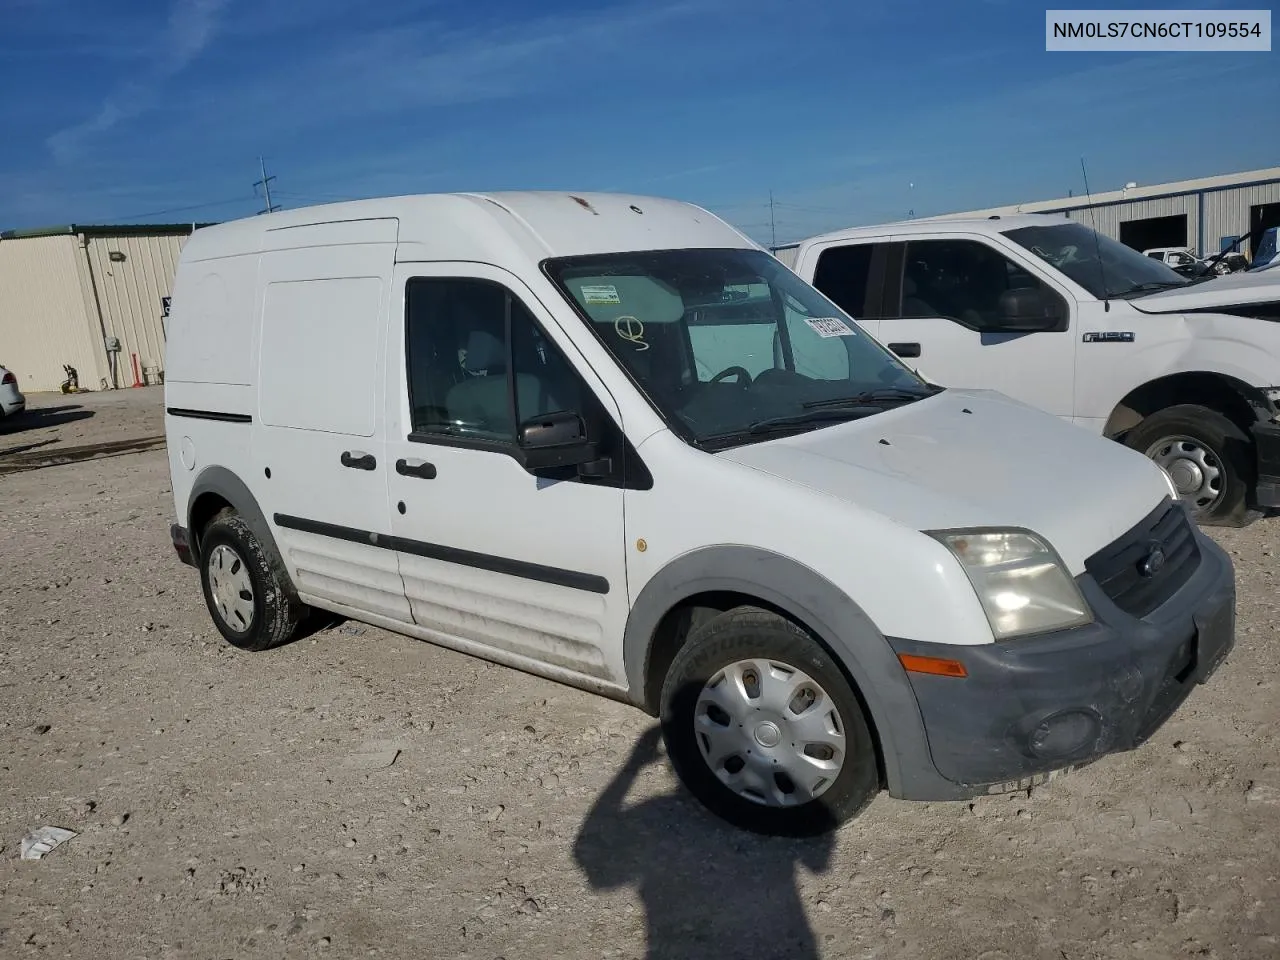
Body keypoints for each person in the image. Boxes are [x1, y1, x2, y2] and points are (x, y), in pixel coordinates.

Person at [573, 726, 835, 960]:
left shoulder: (657, 810)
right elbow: (819, 865)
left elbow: (595, 870)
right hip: (790, 933)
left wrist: (633, 765)